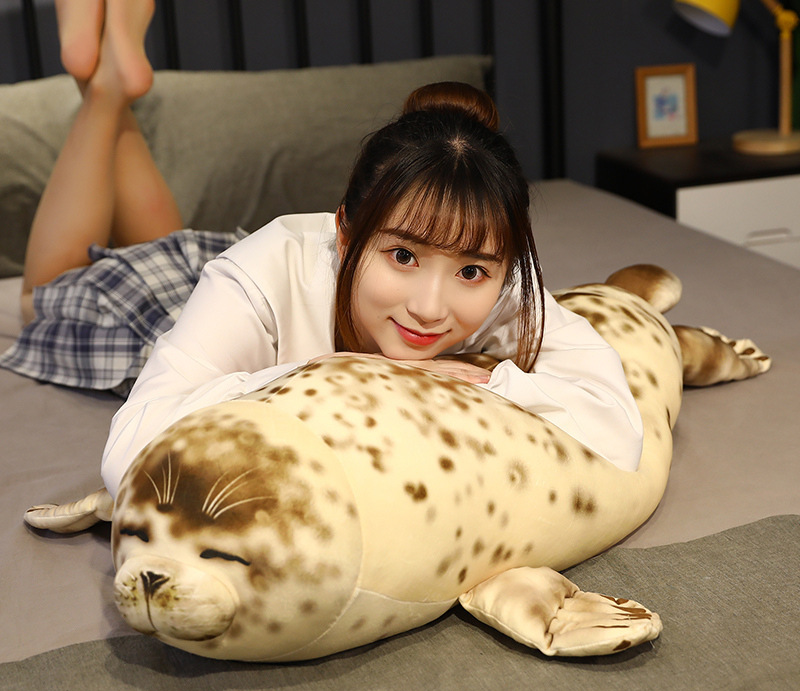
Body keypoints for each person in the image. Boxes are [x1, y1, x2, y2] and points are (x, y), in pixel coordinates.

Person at [2, 0, 643, 499]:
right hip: (214, 286)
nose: (430, 308)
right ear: (345, 231)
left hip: (244, 275)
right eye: (403, 256)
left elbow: (617, 429)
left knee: (159, 239)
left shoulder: (499, 283)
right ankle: (103, 90)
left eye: (471, 270)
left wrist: (493, 383)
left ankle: (116, 74)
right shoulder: (262, 274)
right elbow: (130, 453)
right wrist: (357, 375)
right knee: (46, 296)